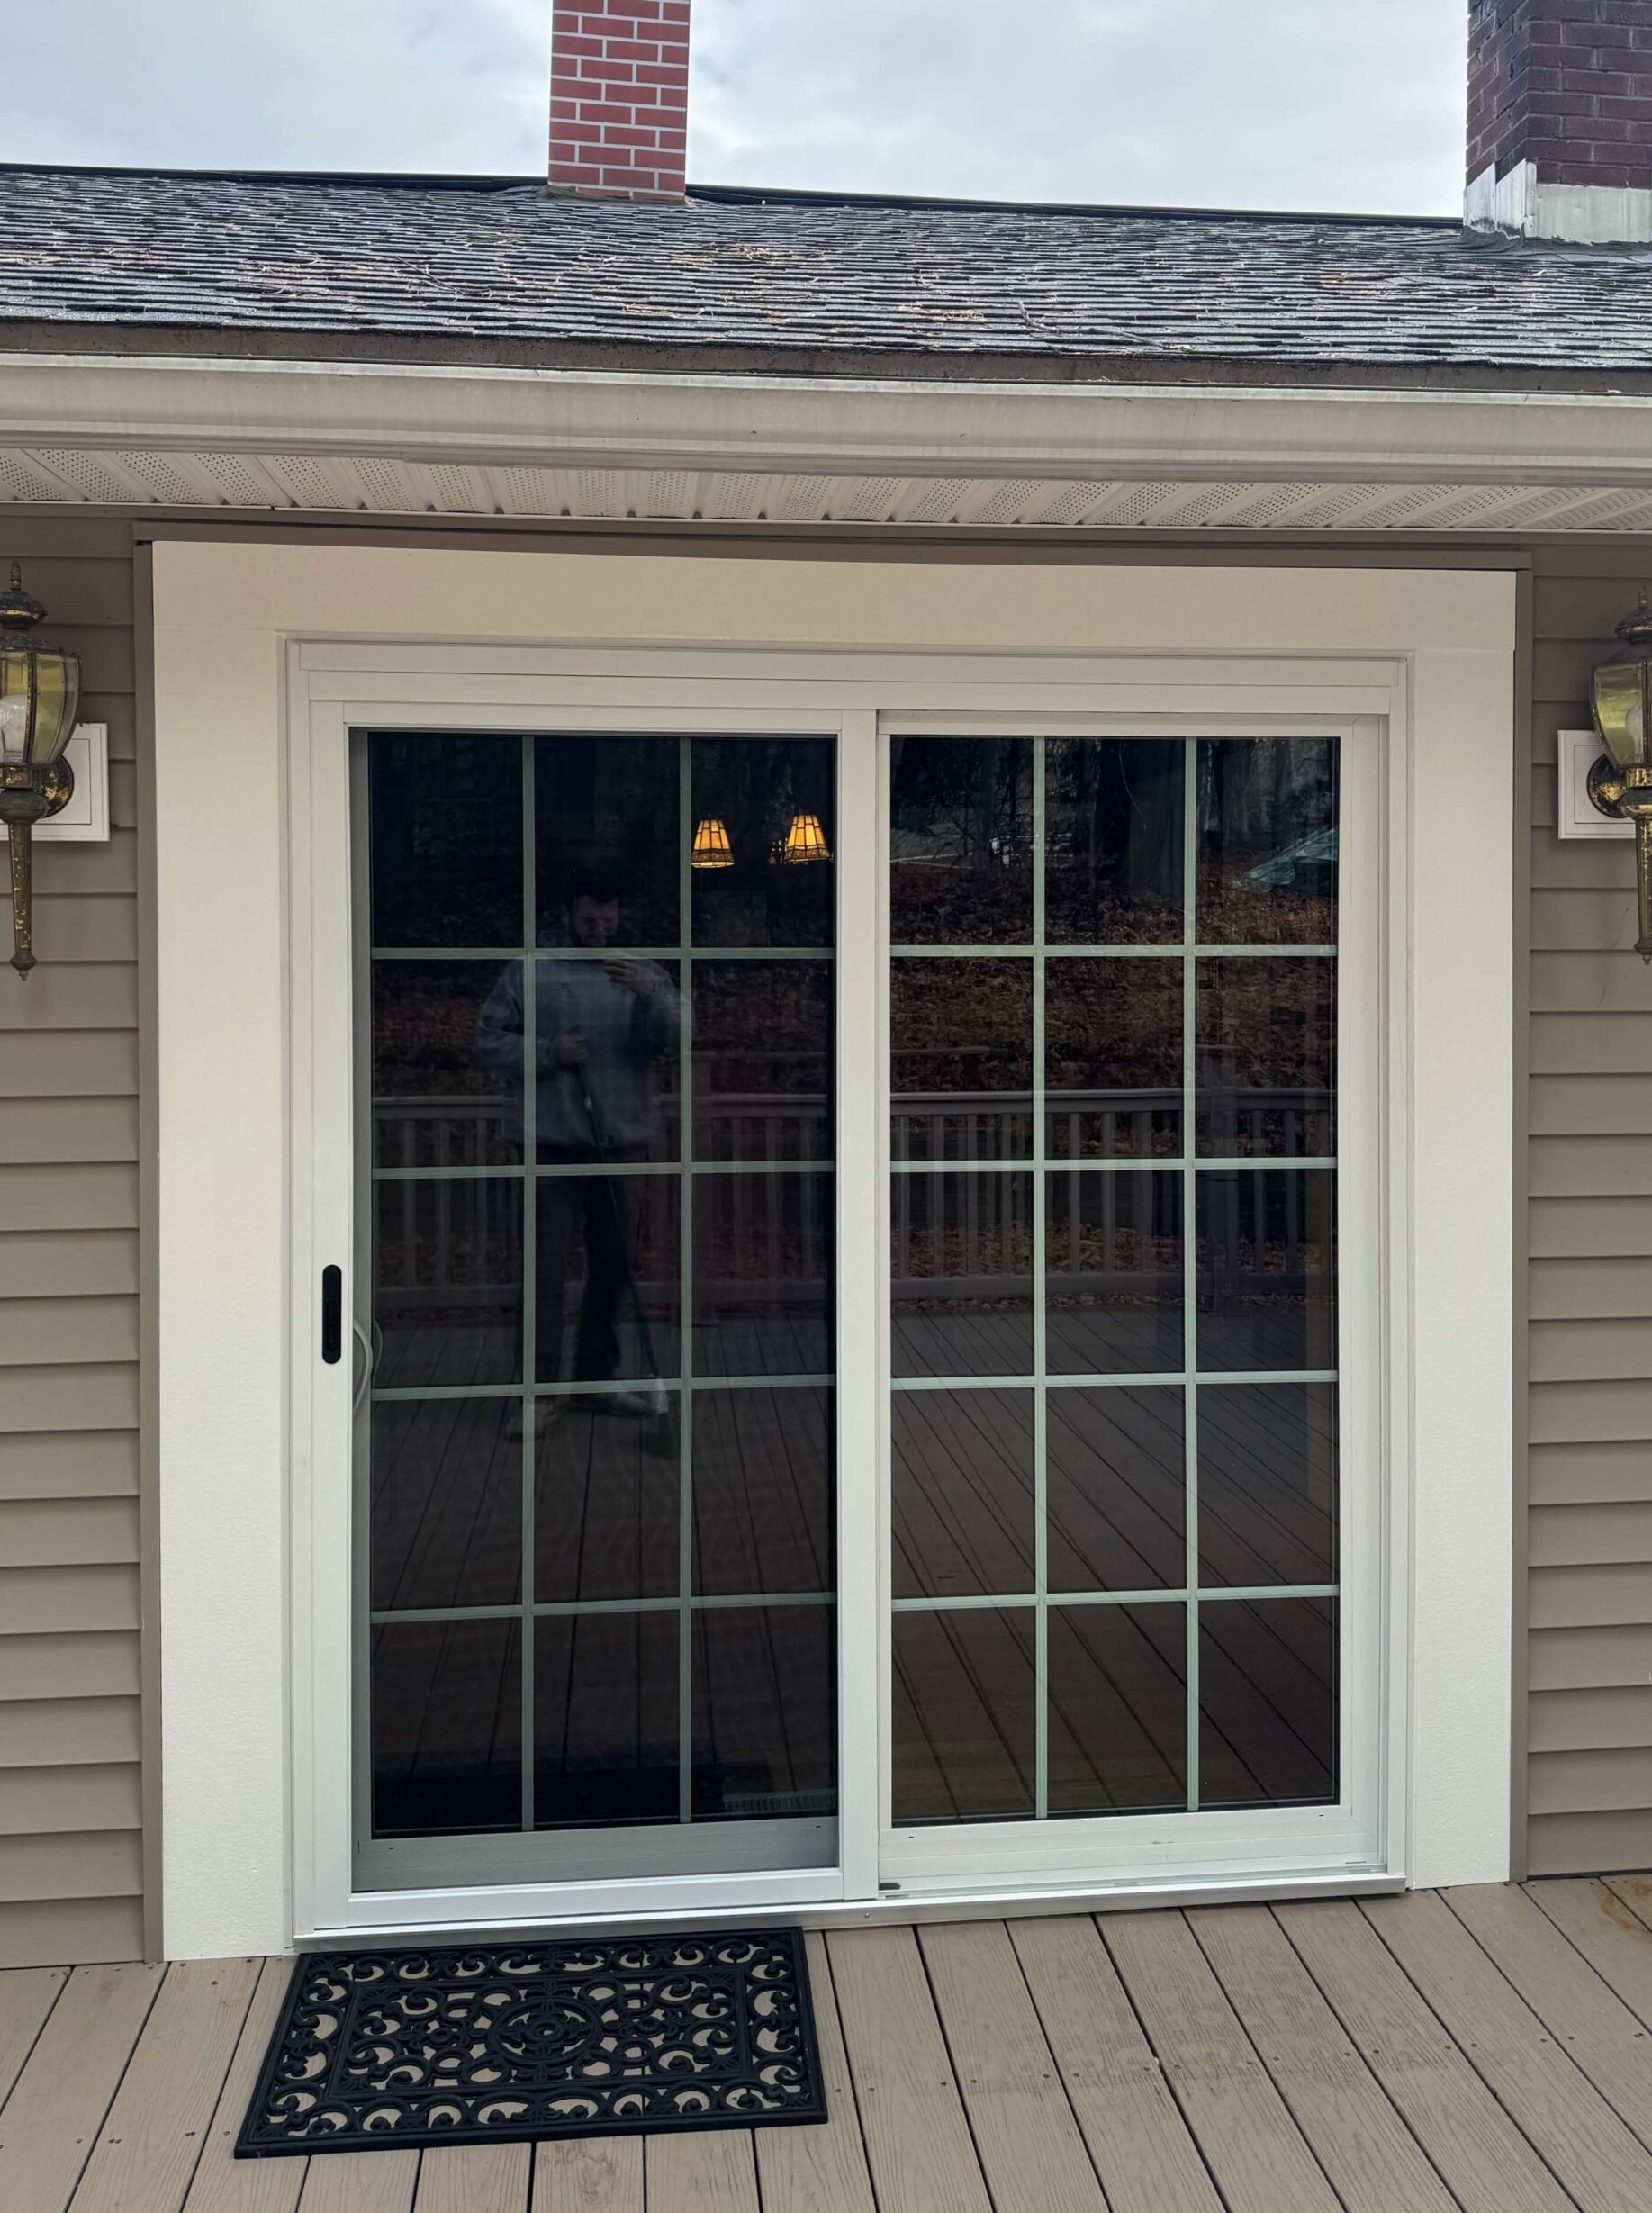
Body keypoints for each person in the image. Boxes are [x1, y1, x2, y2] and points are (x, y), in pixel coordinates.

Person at [477, 866, 681, 1426]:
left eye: (609, 915)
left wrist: (650, 998)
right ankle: (537, 1393)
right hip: (549, 1146)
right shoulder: (530, 972)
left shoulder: (642, 974)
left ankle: (597, 1381)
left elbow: (677, 1038)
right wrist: (546, 1052)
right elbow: (487, 1040)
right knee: (543, 1272)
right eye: (589, 916)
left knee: (614, 1266)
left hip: (621, 1144)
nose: (599, 926)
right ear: (567, 916)